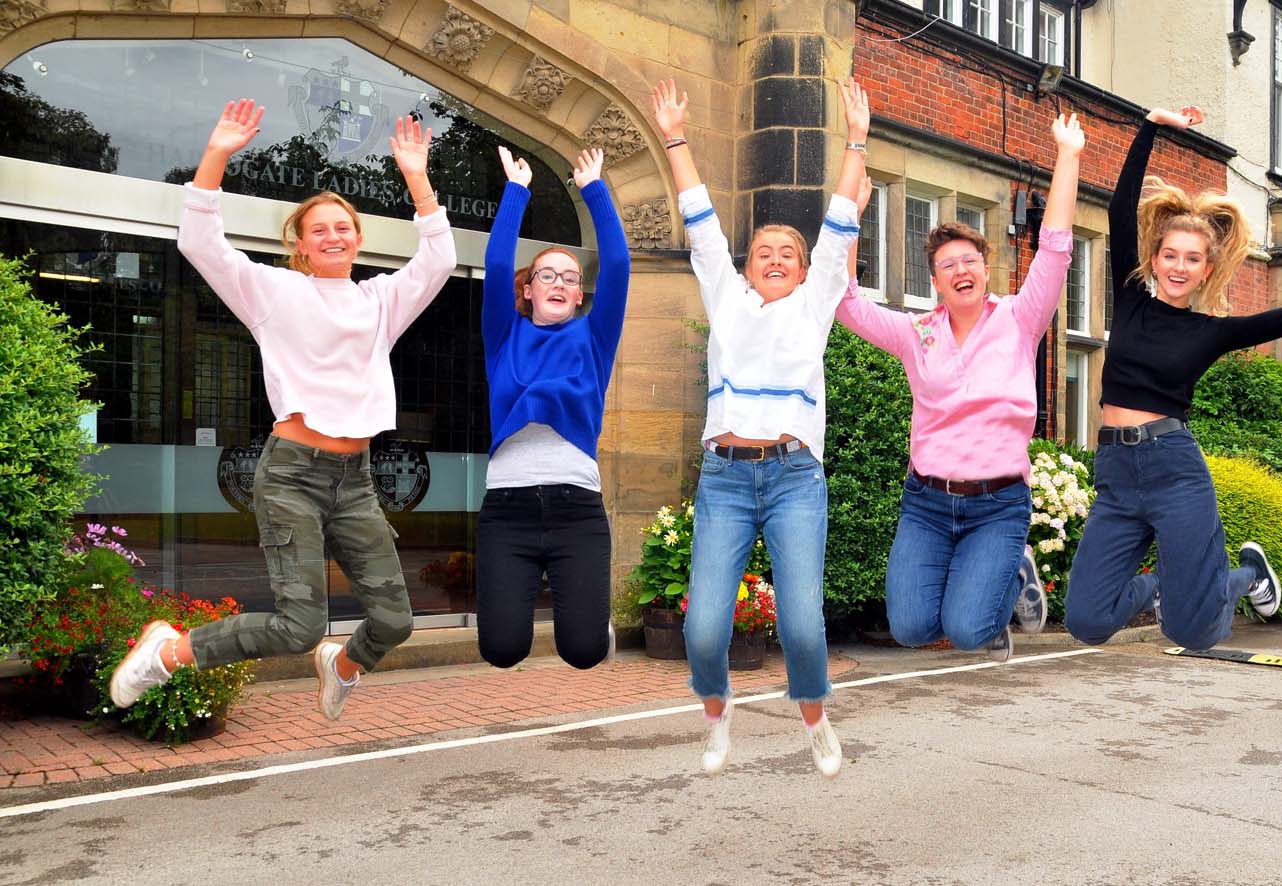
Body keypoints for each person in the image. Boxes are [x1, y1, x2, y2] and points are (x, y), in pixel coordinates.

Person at [107, 98, 457, 720]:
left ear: (357, 239)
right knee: (299, 625)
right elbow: (201, 242)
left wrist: (417, 178)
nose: (333, 236)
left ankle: (341, 665)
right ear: (298, 242)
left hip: (356, 482)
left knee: (395, 620)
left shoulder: (380, 301)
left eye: (343, 227)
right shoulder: (273, 291)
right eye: (318, 229)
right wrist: (216, 154)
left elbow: (438, 261)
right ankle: (170, 651)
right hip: (292, 473)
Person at [1064, 105, 1282, 651]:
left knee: (1192, 634)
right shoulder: (1129, 300)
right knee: (1086, 621)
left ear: (1206, 269)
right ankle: (1161, 589)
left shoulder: (1210, 331)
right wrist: (1150, 125)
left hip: (1174, 471)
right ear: (1152, 259)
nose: (1178, 266)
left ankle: (1246, 578)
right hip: (1117, 472)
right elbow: (1121, 207)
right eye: (1169, 254)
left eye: (1192, 259)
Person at [650, 76, 866, 778]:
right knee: (702, 627)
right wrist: (676, 137)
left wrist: (857, 141)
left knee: (803, 625)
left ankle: (813, 715)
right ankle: (718, 717)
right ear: (745, 267)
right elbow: (698, 217)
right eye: (764, 253)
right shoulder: (726, 298)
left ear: (806, 273)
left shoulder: (815, 305)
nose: (776, 259)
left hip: (795, 477)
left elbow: (838, 222)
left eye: (789, 255)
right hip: (727, 480)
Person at [835, 113, 1085, 662]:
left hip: (999, 504)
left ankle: (1009, 575)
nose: (960, 270)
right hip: (926, 501)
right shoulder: (914, 333)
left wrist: (1067, 156)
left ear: (986, 269)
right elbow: (846, 302)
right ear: (936, 281)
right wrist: (852, 216)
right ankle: (998, 584)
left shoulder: (1021, 320)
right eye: (948, 265)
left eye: (970, 260)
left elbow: (1056, 249)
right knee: (910, 627)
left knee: (970, 632)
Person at [475, 145, 628, 670]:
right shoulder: (503, 337)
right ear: (529, 289)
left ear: (581, 293)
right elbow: (496, 263)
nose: (559, 282)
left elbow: (621, 264)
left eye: (569, 277)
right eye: (547, 275)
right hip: (507, 513)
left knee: (584, 652)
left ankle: (591, 620)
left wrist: (595, 190)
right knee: (502, 650)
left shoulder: (594, 339)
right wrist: (516, 191)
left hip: (576, 510)